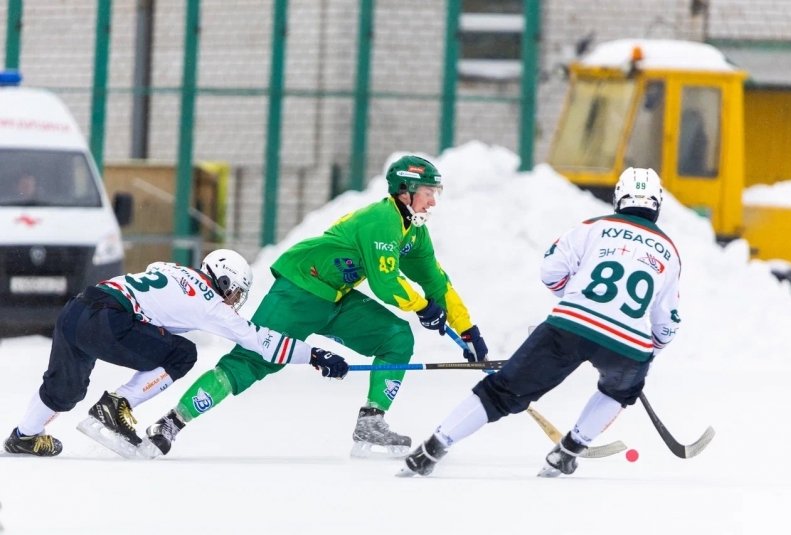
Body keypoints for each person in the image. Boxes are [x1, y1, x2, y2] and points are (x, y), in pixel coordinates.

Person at [145, 154, 488, 459]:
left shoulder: (412, 233)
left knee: (396, 338)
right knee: (248, 363)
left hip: (336, 298)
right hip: (298, 291)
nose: (432, 203)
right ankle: (172, 422)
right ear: (406, 190)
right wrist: (423, 307)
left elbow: (437, 283)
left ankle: (371, 422)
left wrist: (468, 332)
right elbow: (386, 284)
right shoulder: (381, 220)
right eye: (429, 193)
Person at [401, 167, 681, 477]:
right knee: (617, 392)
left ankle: (432, 448)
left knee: (500, 392)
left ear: (618, 198)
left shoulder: (592, 227)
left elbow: (551, 271)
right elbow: (666, 324)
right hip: (628, 343)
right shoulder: (670, 252)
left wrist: (573, 295)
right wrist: (647, 357)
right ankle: (569, 451)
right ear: (658, 203)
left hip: (570, 324)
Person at [3, 249, 347, 458]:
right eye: (235, 293)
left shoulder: (174, 270)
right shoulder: (210, 303)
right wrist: (314, 355)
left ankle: (24, 437)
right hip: (108, 318)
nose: (234, 302)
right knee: (182, 354)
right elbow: (260, 341)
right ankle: (117, 405)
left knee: (64, 390)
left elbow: (155, 271)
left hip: (77, 309)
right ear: (225, 282)